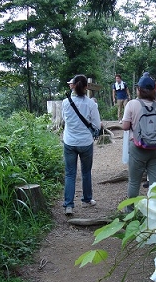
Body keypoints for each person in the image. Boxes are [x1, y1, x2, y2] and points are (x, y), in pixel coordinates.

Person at [122, 72, 156, 212]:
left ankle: (130, 211)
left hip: (138, 148)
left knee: (134, 181)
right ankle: (155, 211)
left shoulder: (132, 104)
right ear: (154, 90)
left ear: (139, 89)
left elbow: (125, 127)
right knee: (155, 182)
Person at [61, 74, 102, 215]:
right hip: (85, 142)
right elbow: (97, 124)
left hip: (69, 141)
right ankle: (86, 199)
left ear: (73, 86)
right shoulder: (91, 104)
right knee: (86, 172)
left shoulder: (65, 102)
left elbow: (63, 119)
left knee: (70, 174)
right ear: (86, 87)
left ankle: (68, 205)